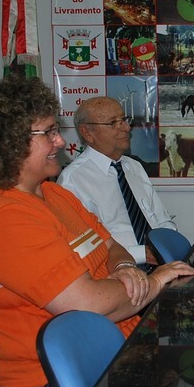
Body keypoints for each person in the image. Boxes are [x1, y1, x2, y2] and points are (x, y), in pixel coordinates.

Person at [0, 76, 194, 387]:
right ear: (7, 142)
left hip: (115, 348)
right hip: (49, 383)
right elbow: (89, 306)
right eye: (48, 133)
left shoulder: (54, 195)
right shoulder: (3, 217)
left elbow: (111, 246)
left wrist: (125, 267)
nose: (61, 142)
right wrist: (156, 279)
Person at [58, 97, 178, 266]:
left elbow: (162, 219)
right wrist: (142, 254)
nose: (126, 128)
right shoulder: (72, 181)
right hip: (117, 271)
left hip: (160, 263)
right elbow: (82, 247)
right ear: (87, 133)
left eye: (124, 120)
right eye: (113, 123)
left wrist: (167, 246)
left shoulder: (133, 167)